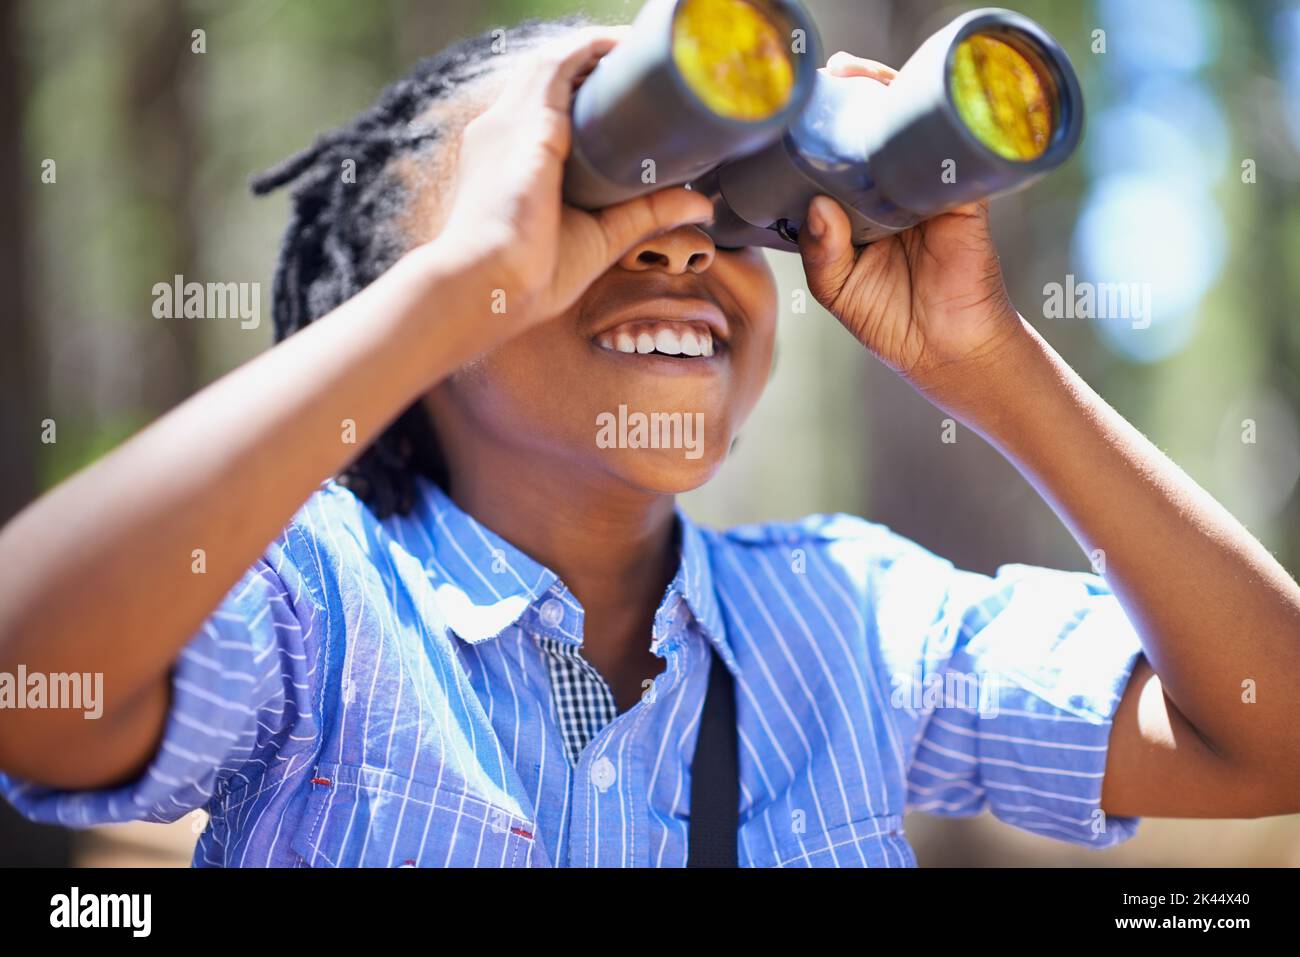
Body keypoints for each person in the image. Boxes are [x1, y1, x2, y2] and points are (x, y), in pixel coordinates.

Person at [0, 18, 1297, 868]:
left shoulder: (855, 625)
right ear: (409, 284)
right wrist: (458, 290)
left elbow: (1271, 736)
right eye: (588, 189)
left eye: (736, 206)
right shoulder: (317, 616)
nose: (676, 240)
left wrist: (989, 360)